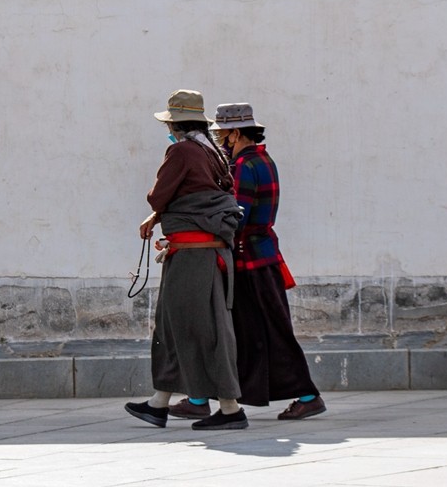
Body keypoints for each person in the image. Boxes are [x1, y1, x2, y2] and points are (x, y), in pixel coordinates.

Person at [168, 102, 325, 420]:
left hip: (249, 263)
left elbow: (234, 217)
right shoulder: (264, 160)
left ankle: (308, 396)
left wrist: (199, 233)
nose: (220, 142)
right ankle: (201, 399)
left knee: (260, 332)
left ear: (236, 134)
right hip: (261, 259)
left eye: (222, 135)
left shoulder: (242, 166)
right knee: (236, 333)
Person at [124, 89, 249, 431]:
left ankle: (230, 408)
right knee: (177, 326)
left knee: (200, 330)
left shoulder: (180, 151)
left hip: (194, 259)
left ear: (176, 125)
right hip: (208, 254)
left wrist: (157, 210)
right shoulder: (213, 152)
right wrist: (159, 217)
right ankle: (158, 404)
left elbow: (158, 195)